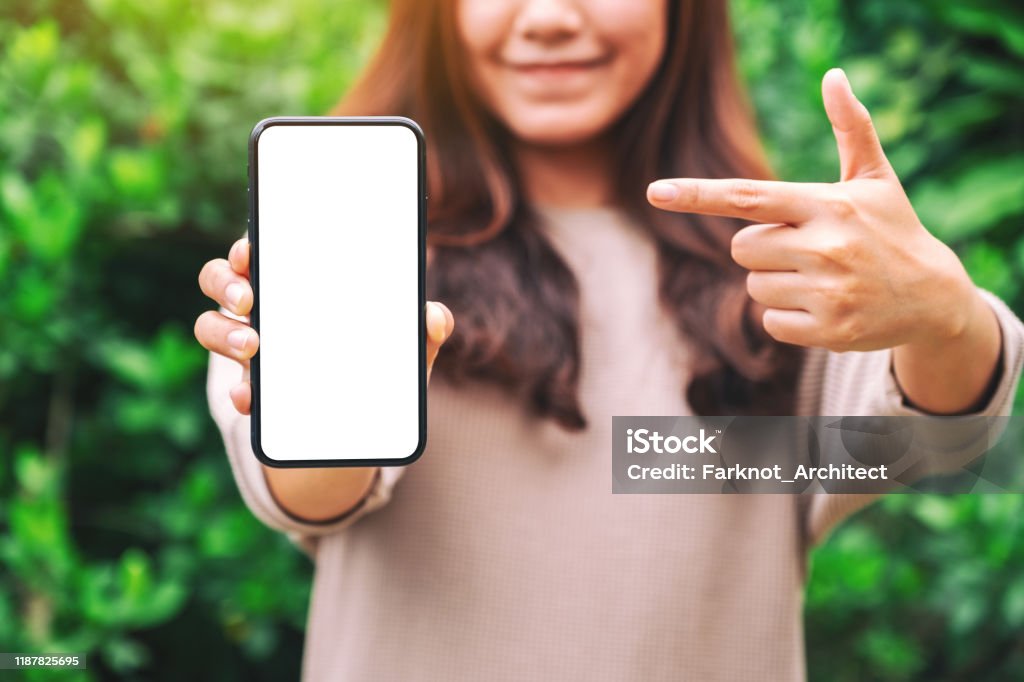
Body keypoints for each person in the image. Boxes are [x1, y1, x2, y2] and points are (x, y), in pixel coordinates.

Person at [194, 1, 1024, 679]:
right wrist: (344, 381)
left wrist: (943, 315)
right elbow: (308, 493)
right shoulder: (344, 257)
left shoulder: (781, 272)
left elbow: (944, 450)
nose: (550, 17)